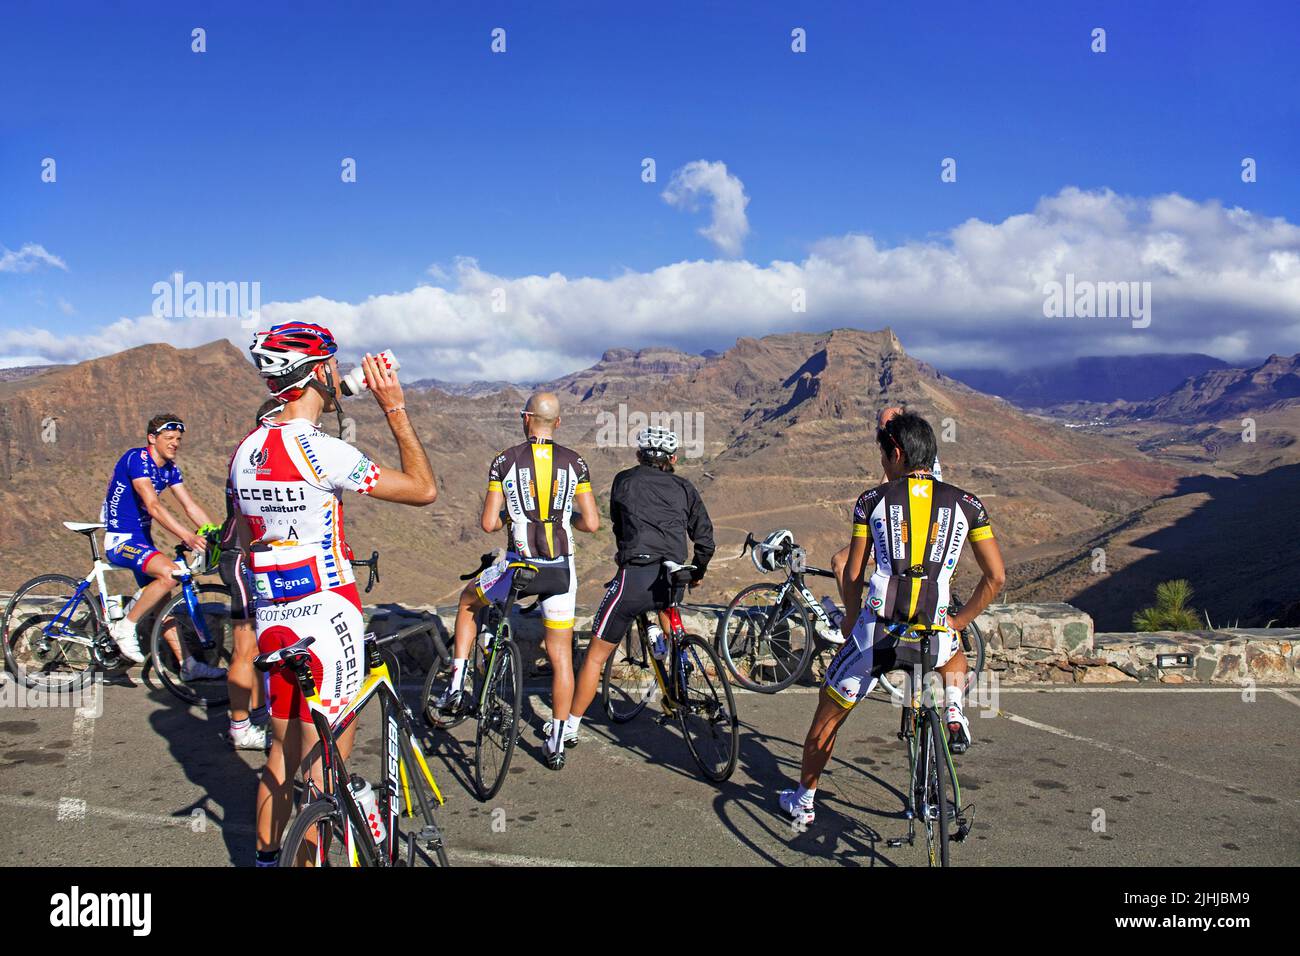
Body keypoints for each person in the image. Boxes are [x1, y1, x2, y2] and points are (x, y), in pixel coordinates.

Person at [232, 323, 438, 867]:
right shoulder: (324, 451)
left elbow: (239, 536)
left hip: (272, 615)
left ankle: (267, 859)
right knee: (329, 759)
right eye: (331, 364)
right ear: (318, 370)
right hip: (328, 617)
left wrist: (339, 387)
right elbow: (422, 489)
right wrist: (394, 406)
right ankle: (324, 845)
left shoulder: (246, 450)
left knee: (282, 752)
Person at [779, 412, 1004, 826]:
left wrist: (849, 616)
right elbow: (996, 576)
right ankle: (954, 709)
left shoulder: (871, 501)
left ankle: (804, 802)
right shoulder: (968, 504)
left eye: (884, 455)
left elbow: (852, 572)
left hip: (877, 638)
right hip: (934, 635)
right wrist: (960, 620)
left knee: (826, 718)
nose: (883, 463)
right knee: (954, 659)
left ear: (896, 454)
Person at [432, 392, 599, 771]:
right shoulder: (577, 463)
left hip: (517, 569)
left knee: (467, 603)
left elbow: (489, 523)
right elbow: (591, 523)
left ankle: (457, 685)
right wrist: (563, 519)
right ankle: (556, 741)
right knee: (560, 656)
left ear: (526, 419)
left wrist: (513, 517)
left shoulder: (504, 461)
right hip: (561, 570)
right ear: (558, 423)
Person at [562, 426, 715, 760]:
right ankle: (675, 667)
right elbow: (705, 538)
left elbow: (619, 523)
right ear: (673, 459)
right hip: (673, 577)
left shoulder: (624, 480)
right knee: (669, 614)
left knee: (597, 656)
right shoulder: (685, 487)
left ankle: (568, 727)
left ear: (638, 455)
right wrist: (698, 572)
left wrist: (625, 551)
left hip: (635, 576)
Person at [101, 414, 225, 680]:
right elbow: (153, 506)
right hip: (121, 541)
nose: (175, 443)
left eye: (178, 439)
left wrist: (216, 534)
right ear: (152, 439)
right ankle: (125, 627)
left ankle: (187, 664)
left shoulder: (169, 468)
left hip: (142, 542)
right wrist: (188, 537)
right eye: (168, 438)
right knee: (170, 574)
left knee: (162, 600)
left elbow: (190, 506)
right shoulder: (137, 459)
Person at [828, 405, 942, 641]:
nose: (880, 435)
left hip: (907, 533)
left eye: (884, 428)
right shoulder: (921, 452)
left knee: (842, 562)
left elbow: (883, 494)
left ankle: (855, 623)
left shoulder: (903, 458)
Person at [219, 398, 282, 751]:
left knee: (265, 644)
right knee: (246, 647)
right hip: (243, 559)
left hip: (261, 559)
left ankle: (260, 716)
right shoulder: (255, 455)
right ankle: (240, 727)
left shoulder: (252, 452)